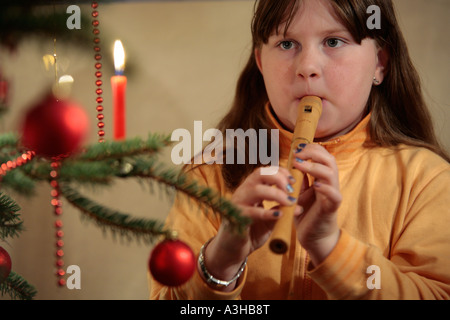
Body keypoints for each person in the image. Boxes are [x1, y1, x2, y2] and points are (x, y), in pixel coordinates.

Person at [149, 0, 450, 300]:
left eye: (333, 41)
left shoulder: (428, 180)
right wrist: (219, 263)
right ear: (261, 63)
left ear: (379, 63)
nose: (307, 68)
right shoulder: (209, 174)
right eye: (287, 43)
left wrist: (331, 248)